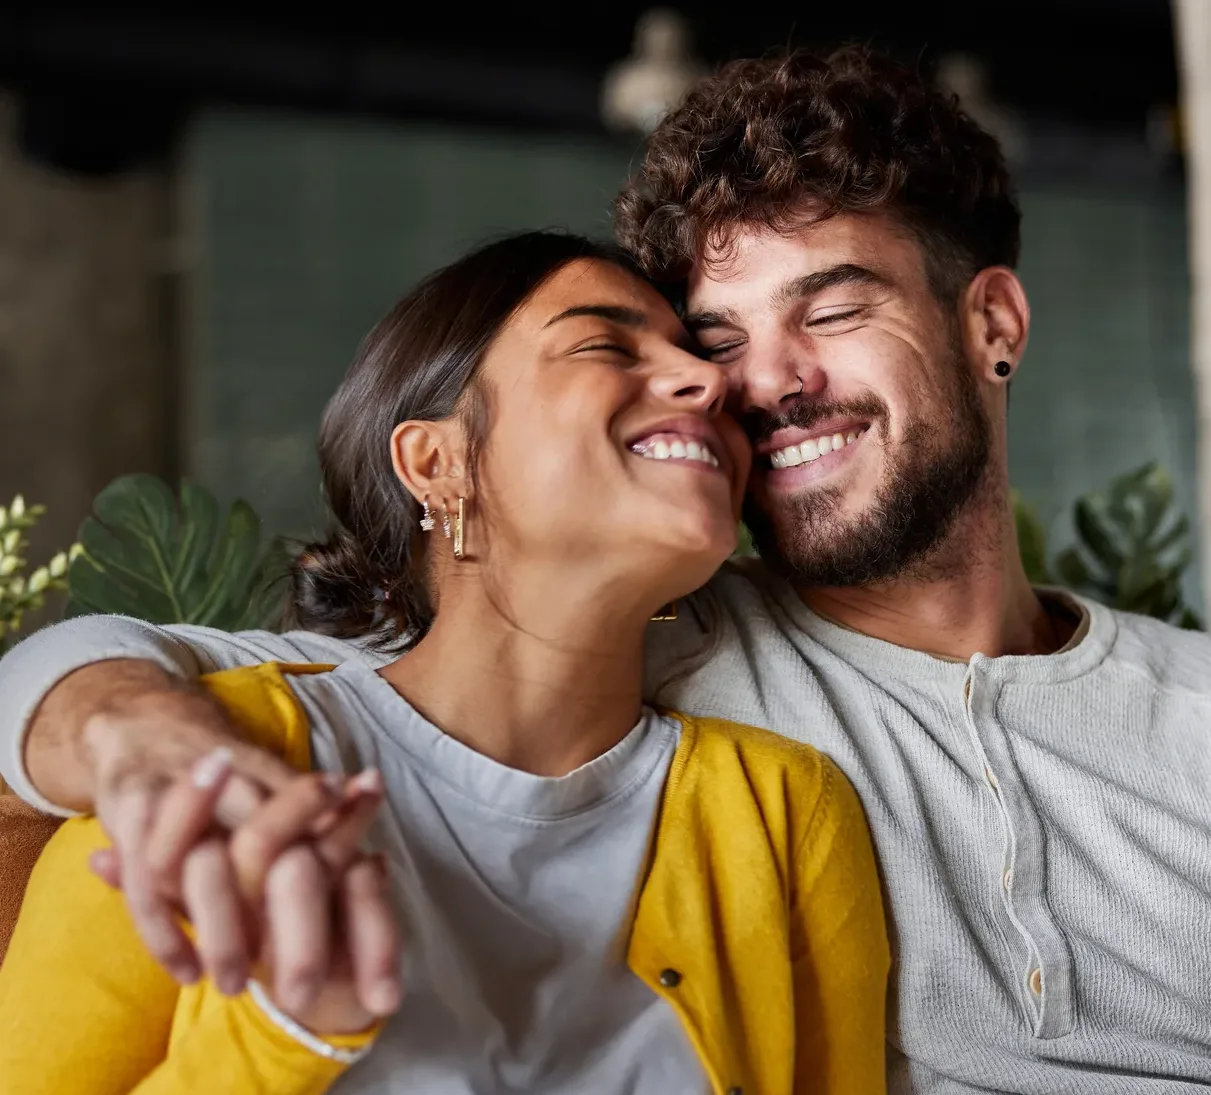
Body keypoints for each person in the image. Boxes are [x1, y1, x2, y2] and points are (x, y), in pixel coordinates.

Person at [1, 43, 1209, 1095]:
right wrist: (144, 749)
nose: (749, 382)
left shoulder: (1167, 717)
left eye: (832, 311)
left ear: (991, 325)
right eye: (719, 337)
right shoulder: (648, 652)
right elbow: (131, 682)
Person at [0, 232, 888, 1094]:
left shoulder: (782, 814)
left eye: (695, 354)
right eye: (601, 344)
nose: (710, 380)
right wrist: (289, 1034)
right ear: (439, 462)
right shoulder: (204, 773)